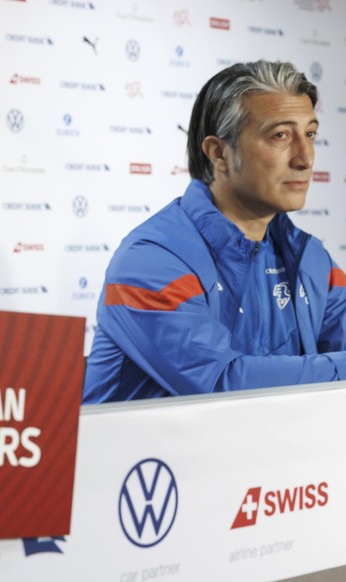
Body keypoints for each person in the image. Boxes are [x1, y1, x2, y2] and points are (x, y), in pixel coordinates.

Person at [83, 60, 346, 403]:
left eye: (309, 134)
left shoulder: (311, 260)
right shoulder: (149, 260)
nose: (305, 158)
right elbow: (224, 385)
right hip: (144, 457)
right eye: (280, 135)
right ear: (218, 153)